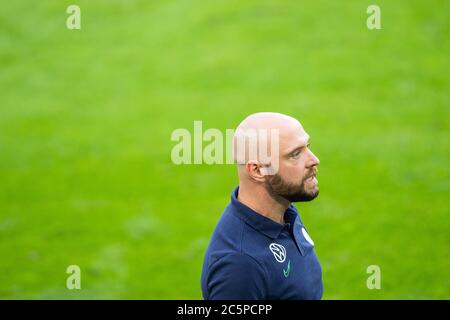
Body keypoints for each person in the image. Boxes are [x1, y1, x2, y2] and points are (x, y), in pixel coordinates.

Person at [201, 112, 323, 299]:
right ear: (258, 170)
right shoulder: (240, 266)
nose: (314, 160)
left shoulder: (283, 210)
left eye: (308, 147)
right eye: (295, 154)